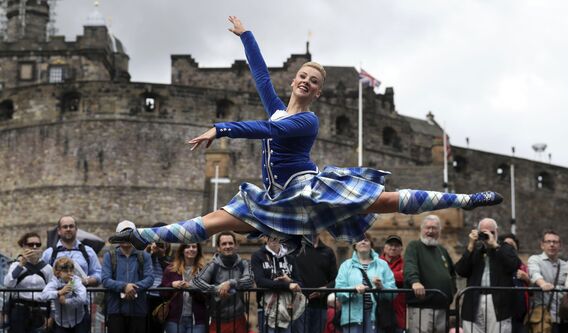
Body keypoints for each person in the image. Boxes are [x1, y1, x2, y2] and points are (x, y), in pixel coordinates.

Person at [108, 16, 503, 251]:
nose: (305, 82)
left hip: (307, 191)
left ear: (318, 91)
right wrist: (247, 36)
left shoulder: (307, 121)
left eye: (313, 81)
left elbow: (265, 129)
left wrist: (222, 128)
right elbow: (261, 76)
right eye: (302, 76)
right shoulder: (280, 109)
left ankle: (466, 199)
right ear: (295, 79)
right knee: (214, 220)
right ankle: (139, 237)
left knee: (383, 201)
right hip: (274, 199)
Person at [455, 218, 521, 333]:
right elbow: (461, 270)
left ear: (496, 232)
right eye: (484, 232)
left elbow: (514, 265)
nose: (487, 235)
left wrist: (495, 246)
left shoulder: (504, 248)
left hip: (498, 304)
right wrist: (470, 246)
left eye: (491, 232)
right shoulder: (475, 250)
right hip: (474, 303)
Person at [41, 215, 101, 333]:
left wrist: (85, 281)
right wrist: (58, 292)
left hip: (80, 310)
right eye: (65, 226)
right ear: (59, 230)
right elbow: (45, 279)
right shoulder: (50, 253)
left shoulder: (87, 251)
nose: (68, 229)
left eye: (71, 226)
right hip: (57, 312)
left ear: (76, 229)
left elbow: (99, 274)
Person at [191, 231, 254, 333]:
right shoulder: (213, 265)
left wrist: (230, 284)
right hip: (217, 320)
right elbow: (196, 283)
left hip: (238, 318)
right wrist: (216, 289)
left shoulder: (243, 264)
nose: (228, 246)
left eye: (230, 243)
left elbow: (249, 281)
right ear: (218, 248)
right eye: (224, 244)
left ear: (236, 245)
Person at [335, 233, 396, 333]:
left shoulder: (382, 265)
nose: (363, 241)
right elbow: (338, 291)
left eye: (366, 239)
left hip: (374, 317)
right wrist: (353, 289)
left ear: (371, 244)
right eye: (359, 239)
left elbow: (393, 292)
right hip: (352, 316)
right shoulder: (346, 265)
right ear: (354, 245)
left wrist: (382, 287)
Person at [404, 215, 456, 333]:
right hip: (421, 308)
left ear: (439, 231)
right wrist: (415, 281)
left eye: (434, 228)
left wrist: (451, 291)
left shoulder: (442, 251)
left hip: (441, 308)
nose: (431, 231)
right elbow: (410, 266)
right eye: (428, 227)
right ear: (421, 229)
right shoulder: (414, 246)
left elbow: (452, 275)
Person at [101, 221, 154, 333]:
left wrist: (134, 288)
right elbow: (105, 280)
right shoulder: (110, 256)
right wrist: (124, 287)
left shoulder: (143, 256)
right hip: (116, 310)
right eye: (122, 234)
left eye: (129, 234)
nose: (125, 238)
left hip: (138, 310)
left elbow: (150, 278)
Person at [251, 236, 304, 333]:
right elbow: (261, 281)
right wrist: (286, 285)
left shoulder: (290, 257)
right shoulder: (258, 256)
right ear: (265, 237)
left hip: (286, 310)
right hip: (267, 309)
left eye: (278, 235)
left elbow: (299, 283)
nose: (275, 238)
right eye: (271, 235)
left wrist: (290, 281)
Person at [4, 232, 53, 333]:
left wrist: (51, 316)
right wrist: (21, 264)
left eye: (37, 245)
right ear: (23, 246)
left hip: (38, 313)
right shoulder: (15, 265)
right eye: (30, 244)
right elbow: (8, 284)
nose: (34, 247)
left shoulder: (47, 269)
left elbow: (52, 291)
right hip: (19, 311)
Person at [289, 234, 338, 333]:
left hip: (320, 306)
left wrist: (325, 289)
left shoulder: (328, 251)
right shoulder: (295, 249)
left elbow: (336, 279)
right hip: (299, 305)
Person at [161, 242, 207, 333]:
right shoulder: (171, 269)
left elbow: (208, 295)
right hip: (175, 320)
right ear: (182, 250)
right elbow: (162, 292)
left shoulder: (204, 270)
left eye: (194, 246)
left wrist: (193, 289)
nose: (191, 249)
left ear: (198, 250)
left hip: (197, 320)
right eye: (188, 246)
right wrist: (172, 286)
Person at [527, 230, 568, 333]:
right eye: (548, 241)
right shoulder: (535, 259)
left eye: (555, 242)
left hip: (565, 317)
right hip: (546, 318)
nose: (552, 244)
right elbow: (534, 274)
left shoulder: (565, 265)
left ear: (560, 245)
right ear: (542, 245)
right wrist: (542, 283)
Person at [498, 233, 531, 333]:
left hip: (522, 319)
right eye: (506, 245)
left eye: (512, 246)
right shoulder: (499, 266)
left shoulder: (523, 267)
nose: (509, 249)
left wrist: (527, 279)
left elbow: (532, 292)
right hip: (505, 317)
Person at [144, 223, 172, 333]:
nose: (158, 245)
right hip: (143, 299)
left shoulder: (169, 259)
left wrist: (161, 255)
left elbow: (170, 272)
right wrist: (149, 253)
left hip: (159, 301)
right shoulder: (143, 254)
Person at [379, 234, 407, 333]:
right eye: (390, 244)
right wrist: (396, 276)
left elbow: (406, 277)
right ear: (384, 247)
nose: (393, 247)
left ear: (401, 248)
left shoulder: (406, 263)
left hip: (397, 316)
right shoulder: (376, 262)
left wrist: (384, 278)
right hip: (378, 316)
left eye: (396, 245)